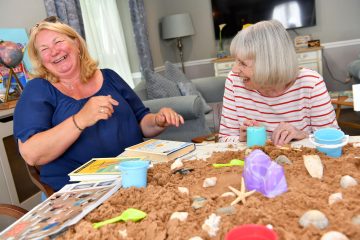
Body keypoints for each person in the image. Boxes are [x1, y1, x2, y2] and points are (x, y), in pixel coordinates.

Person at [14, 17, 184, 191]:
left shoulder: (110, 77)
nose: (54, 51)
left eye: (58, 41)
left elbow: (142, 122)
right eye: (44, 49)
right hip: (80, 191)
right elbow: (31, 154)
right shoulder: (38, 89)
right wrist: (80, 119)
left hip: (134, 178)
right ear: (41, 60)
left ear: (76, 44)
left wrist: (157, 120)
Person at [218, 20, 338, 146]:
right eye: (236, 61)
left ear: (269, 65)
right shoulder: (234, 81)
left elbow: (332, 140)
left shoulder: (311, 83)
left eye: (242, 63)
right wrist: (242, 140)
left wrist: (302, 135)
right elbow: (224, 139)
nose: (234, 70)